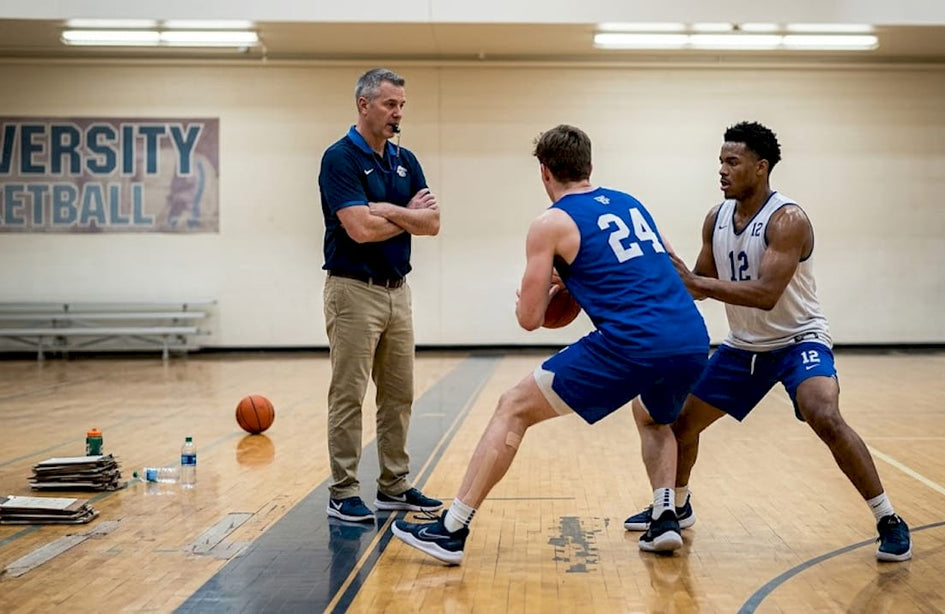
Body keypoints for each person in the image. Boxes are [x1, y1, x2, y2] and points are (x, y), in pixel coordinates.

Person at [391, 124, 710, 564]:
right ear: (590, 166)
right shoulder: (631, 204)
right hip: (692, 338)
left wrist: (555, 286)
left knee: (512, 407)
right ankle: (665, 516)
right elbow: (672, 267)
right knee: (654, 418)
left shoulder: (550, 223)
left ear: (544, 172)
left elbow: (530, 319)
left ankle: (452, 529)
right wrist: (583, 280)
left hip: (634, 340)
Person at [624, 120, 912, 562]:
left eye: (732, 162)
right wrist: (649, 276)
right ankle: (678, 506)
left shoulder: (788, 219)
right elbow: (699, 285)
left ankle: (888, 518)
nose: (721, 169)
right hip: (743, 347)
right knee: (680, 424)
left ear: (760, 168)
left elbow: (765, 293)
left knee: (825, 415)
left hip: (799, 340)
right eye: (720, 161)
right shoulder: (716, 218)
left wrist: (695, 280)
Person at [318, 68, 443, 522]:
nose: (398, 114)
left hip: (397, 291)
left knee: (398, 395)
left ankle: (394, 485)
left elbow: (432, 223)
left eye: (402, 106)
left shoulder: (405, 159)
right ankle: (343, 491)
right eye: (391, 105)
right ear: (364, 105)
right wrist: (406, 214)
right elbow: (359, 228)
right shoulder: (340, 159)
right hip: (352, 291)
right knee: (348, 395)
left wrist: (391, 210)